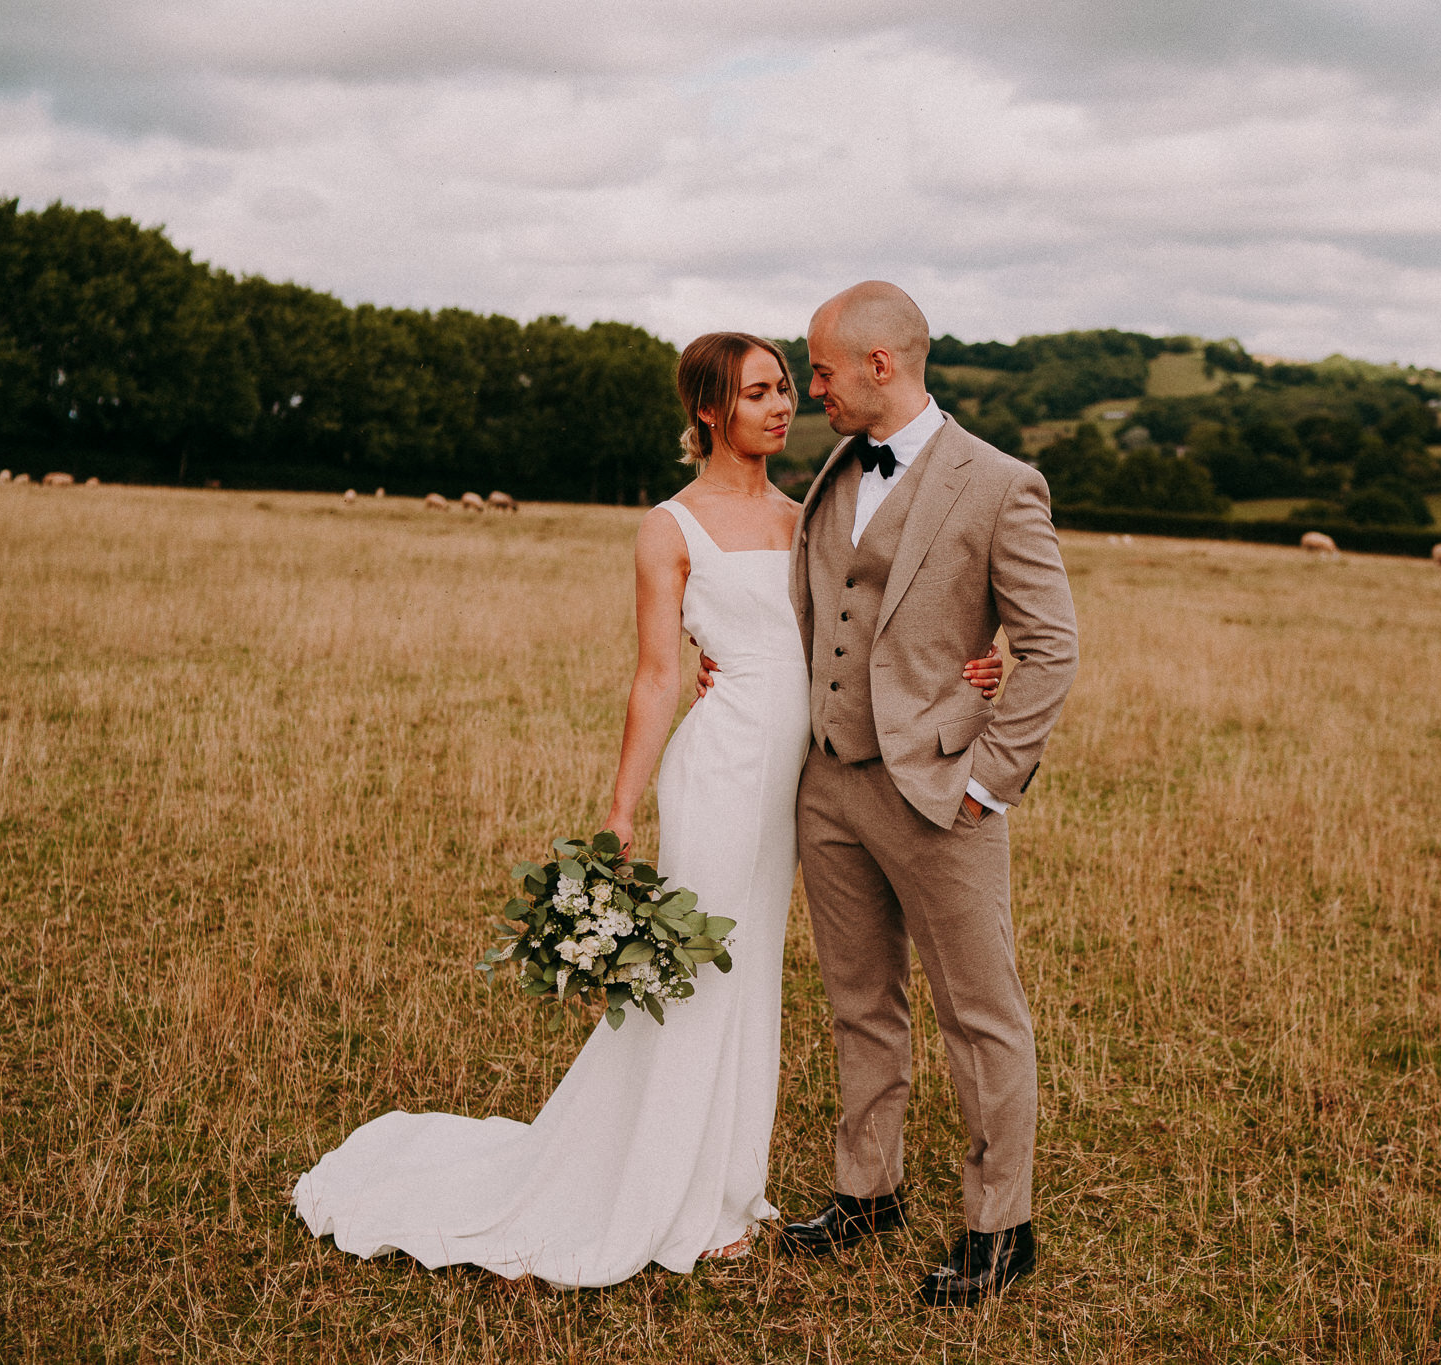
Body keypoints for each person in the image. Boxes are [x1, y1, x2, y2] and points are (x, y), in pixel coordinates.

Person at [289, 331, 1003, 1288]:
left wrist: (979, 662)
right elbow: (658, 674)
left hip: (795, 785)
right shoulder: (670, 527)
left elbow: (873, 631)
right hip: (718, 774)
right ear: (710, 410)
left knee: (746, 977)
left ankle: (722, 1186)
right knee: (699, 971)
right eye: (759, 392)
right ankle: (661, 1189)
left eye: (788, 387)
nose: (783, 404)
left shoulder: (809, 515)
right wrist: (621, 808)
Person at [769, 281, 1079, 1306]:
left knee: (979, 1015)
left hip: (940, 793)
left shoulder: (997, 485)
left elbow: (1047, 648)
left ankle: (1000, 1229)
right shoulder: (831, 469)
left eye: (817, 370)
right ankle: (868, 1190)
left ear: (880, 366)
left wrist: (986, 783)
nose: (807, 389)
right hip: (829, 789)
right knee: (859, 1004)